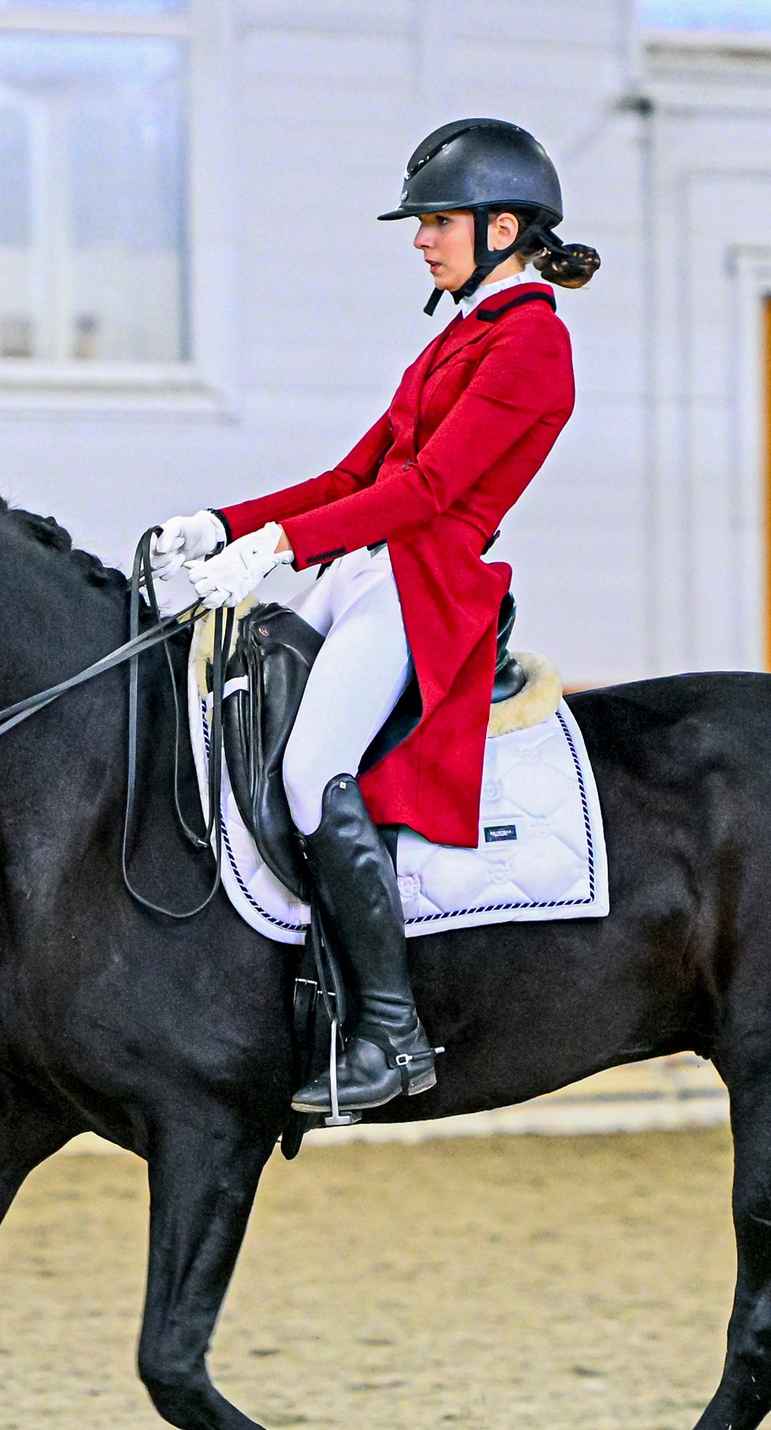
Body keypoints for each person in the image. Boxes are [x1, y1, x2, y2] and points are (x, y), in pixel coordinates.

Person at [149, 118, 597, 1116]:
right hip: (361, 572)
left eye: (438, 221)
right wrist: (225, 521)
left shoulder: (532, 341)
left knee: (313, 769)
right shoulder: (459, 335)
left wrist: (278, 550)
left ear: (504, 225)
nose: (420, 239)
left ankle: (390, 1033)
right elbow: (353, 474)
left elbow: (433, 487)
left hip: (424, 583)